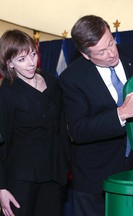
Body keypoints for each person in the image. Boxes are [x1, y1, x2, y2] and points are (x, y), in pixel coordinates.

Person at [59, 15, 133, 216]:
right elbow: (78, 130)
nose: (111, 53)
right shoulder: (71, 78)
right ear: (85, 55)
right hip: (95, 175)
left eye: (111, 43)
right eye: (101, 52)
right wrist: (121, 113)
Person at [0, 30, 70, 216]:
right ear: (9, 63)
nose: (31, 63)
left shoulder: (52, 82)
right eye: (21, 59)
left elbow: (62, 128)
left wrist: (64, 166)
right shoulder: (6, 92)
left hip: (54, 174)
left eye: (33, 54)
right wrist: (1, 188)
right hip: (20, 178)